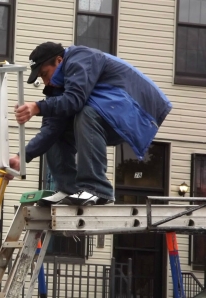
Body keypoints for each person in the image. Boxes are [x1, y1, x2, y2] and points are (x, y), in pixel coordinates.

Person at [10, 42, 172, 206]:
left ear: (59, 61)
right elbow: (51, 129)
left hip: (139, 109)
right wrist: (21, 157)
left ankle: (98, 189)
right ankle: (69, 189)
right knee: (56, 131)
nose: (46, 82)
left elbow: (74, 100)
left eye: (45, 74)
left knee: (86, 112)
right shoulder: (59, 87)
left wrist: (38, 107)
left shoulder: (80, 58)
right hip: (109, 110)